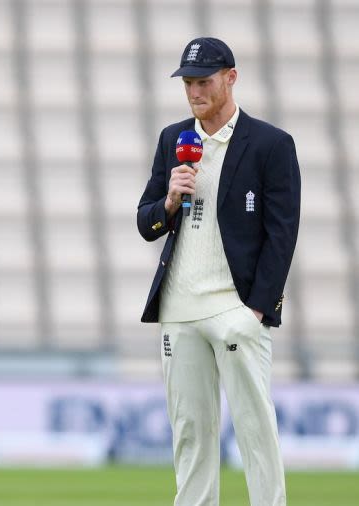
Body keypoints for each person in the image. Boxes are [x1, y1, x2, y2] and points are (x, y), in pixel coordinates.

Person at [137, 37, 300, 506]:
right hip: (179, 309)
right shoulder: (173, 139)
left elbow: (281, 234)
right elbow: (146, 222)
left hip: (235, 308)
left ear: (231, 77)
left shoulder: (271, 144)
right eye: (188, 83)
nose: (194, 93)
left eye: (204, 81)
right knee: (190, 434)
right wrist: (169, 200)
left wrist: (256, 310)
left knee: (255, 428)